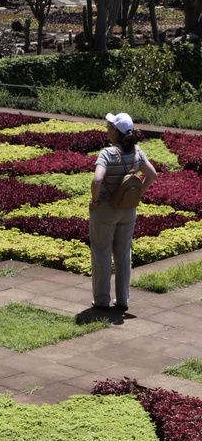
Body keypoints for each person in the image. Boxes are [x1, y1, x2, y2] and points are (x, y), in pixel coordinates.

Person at [89, 112, 157, 312]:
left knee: (101, 254)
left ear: (115, 131)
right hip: (128, 210)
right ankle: (123, 299)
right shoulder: (137, 152)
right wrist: (138, 196)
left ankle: (101, 299)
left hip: (105, 211)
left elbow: (96, 180)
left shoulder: (107, 154)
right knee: (123, 254)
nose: (107, 128)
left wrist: (94, 200)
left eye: (109, 126)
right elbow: (151, 175)